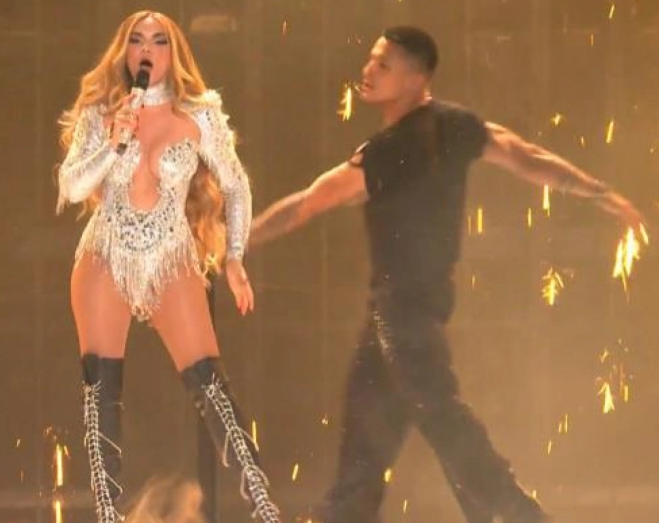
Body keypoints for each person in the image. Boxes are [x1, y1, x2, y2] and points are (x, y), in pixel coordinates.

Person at [248, 26, 645, 523]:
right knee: (368, 444)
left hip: (403, 315)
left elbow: (307, 204)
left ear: (417, 78)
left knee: (438, 413)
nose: (367, 71)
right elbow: (527, 157)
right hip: (402, 314)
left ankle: (517, 513)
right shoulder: (452, 128)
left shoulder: (399, 147)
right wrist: (600, 194)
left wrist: (235, 242)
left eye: (383, 64)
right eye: (371, 59)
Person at [55, 10, 280, 523]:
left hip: (170, 255)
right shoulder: (100, 111)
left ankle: (266, 510)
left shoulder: (200, 114)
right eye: (137, 40)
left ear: (173, 53)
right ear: (124, 51)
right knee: (101, 390)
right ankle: (108, 515)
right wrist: (114, 142)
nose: (147, 49)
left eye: (159, 40)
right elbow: (71, 187)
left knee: (210, 384)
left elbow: (236, 184)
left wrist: (235, 256)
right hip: (106, 253)